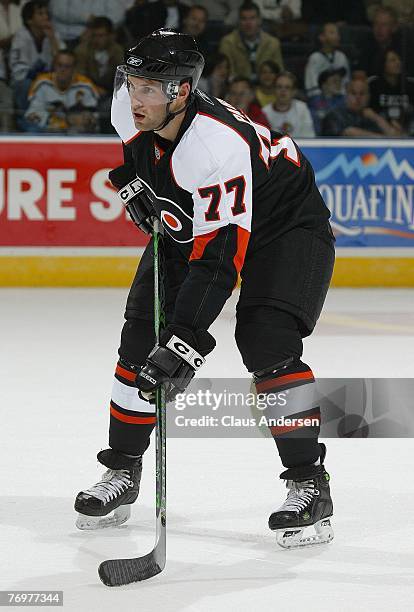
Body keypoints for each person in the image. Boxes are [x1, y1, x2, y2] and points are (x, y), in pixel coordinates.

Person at [74, 29, 335, 549]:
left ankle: (310, 483)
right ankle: (122, 470)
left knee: (266, 343)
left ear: (182, 92)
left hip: (284, 228)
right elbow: (132, 155)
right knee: (137, 343)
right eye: (132, 83)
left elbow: (218, 262)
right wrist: (131, 184)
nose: (134, 97)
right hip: (194, 218)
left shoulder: (214, 147)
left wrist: (187, 341)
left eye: (150, 88)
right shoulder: (129, 108)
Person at [23, 49, 98, 132]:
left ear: (74, 69)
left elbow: (95, 116)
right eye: (59, 65)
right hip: (47, 131)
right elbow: (31, 115)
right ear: (54, 66)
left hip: (76, 133)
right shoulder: (42, 83)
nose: (62, 70)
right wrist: (62, 121)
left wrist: (86, 119)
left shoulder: (86, 86)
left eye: (67, 66)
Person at [9, 0, 64, 110]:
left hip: (49, 80)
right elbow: (19, 73)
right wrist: (41, 77)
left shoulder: (53, 33)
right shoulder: (21, 37)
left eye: (46, 13)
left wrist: (53, 39)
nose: (45, 17)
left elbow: (64, 61)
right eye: (40, 13)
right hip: (25, 83)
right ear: (29, 20)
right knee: (26, 84)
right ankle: (26, 117)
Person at [219, 1, 283, 82]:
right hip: (237, 89)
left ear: (259, 20)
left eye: (252, 18)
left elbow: (279, 73)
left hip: (266, 88)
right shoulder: (227, 42)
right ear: (239, 21)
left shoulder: (273, 43)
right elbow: (226, 74)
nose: (248, 23)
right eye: (244, 19)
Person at [322, 77, 404, 137]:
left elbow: (396, 137)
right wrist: (383, 139)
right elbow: (350, 132)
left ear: (368, 97)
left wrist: (376, 118)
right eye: (353, 93)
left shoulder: (376, 115)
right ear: (346, 96)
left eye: (362, 94)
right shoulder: (335, 115)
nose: (358, 97)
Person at [368, 49, 414, 132]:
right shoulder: (373, 84)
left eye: (399, 59)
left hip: (407, 129)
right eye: (393, 60)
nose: (398, 63)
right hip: (380, 128)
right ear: (383, 64)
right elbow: (367, 111)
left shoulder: (410, 84)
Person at [304, 22, 350, 98]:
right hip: (321, 100)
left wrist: (341, 94)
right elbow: (311, 87)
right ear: (322, 37)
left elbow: (346, 81)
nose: (337, 36)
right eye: (332, 32)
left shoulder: (342, 56)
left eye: (338, 33)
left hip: (341, 98)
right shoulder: (315, 58)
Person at [263, 71, 315, 137]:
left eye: (287, 87)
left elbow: (309, 136)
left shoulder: (302, 108)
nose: (283, 91)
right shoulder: (265, 112)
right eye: (279, 87)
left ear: (294, 91)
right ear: (274, 89)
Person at [308, 67, 346, 136]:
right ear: (324, 85)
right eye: (335, 81)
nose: (339, 84)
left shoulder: (345, 100)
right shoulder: (314, 101)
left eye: (339, 81)